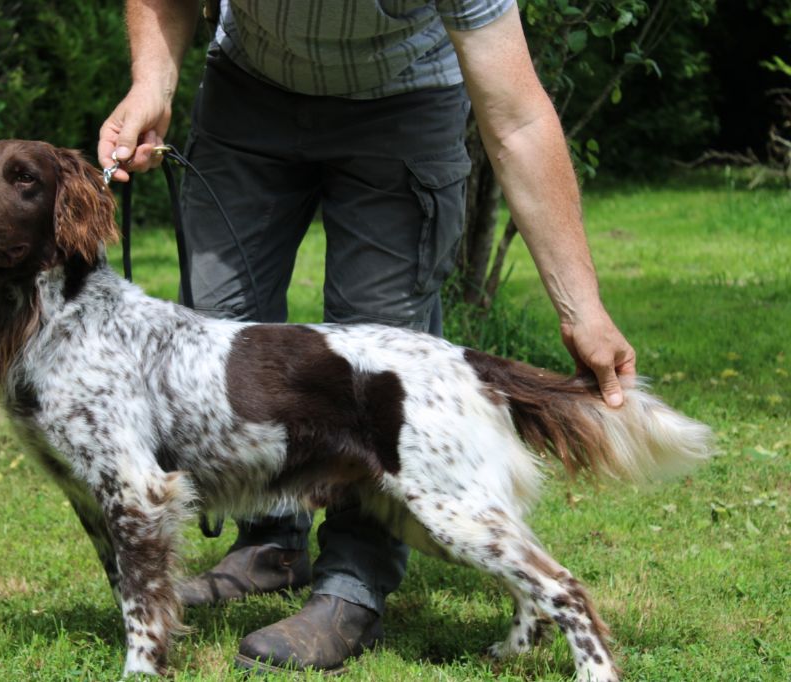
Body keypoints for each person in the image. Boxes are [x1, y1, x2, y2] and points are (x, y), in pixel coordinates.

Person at [98, 0, 637, 674]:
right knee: (216, 332)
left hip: (404, 101)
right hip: (250, 92)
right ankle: (269, 546)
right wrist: (154, 81)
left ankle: (351, 587)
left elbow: (520, 119)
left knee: (383, 381)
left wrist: (581, 308)